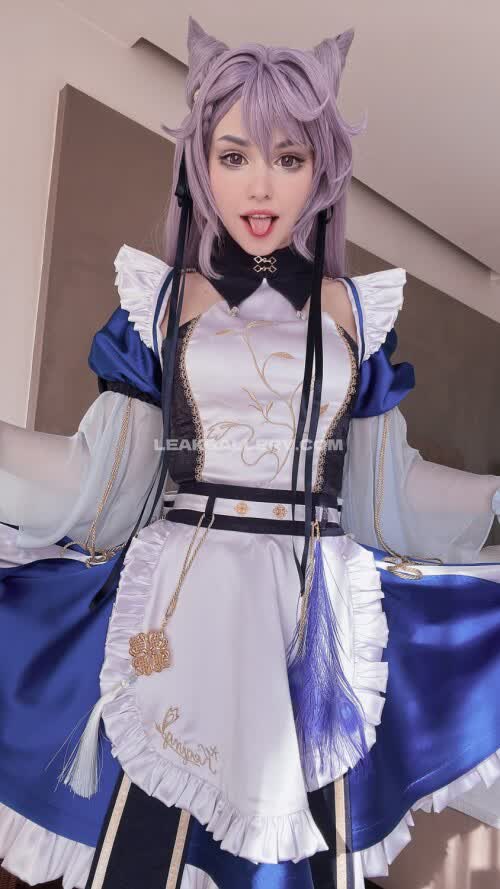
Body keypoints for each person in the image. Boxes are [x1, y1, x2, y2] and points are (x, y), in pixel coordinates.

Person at [1, 16, 500, 889]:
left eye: (289, 157)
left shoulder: (355, 316)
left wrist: (494, 498)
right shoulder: (158, 304)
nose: (261, 184)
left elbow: (388, 495)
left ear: (322, 172)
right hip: (184, 593)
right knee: (153, 843)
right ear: (200, 162)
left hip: (308, 611)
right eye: (234, 156)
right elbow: (103, 484)